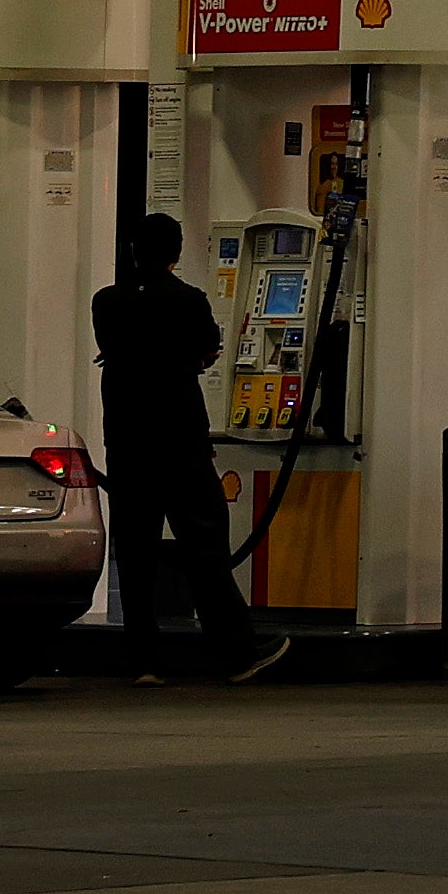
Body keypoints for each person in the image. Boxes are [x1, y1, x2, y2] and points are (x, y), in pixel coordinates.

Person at [93, 214, 279, 685]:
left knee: (135, 554)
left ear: (134, 250)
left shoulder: (107, 302)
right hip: (179, 443)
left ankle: (143, 660)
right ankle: (234, 653)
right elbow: (206, 348)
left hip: (127, 445)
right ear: (176, 253)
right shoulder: (188, 301)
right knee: (205, 549)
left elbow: (112, 349)